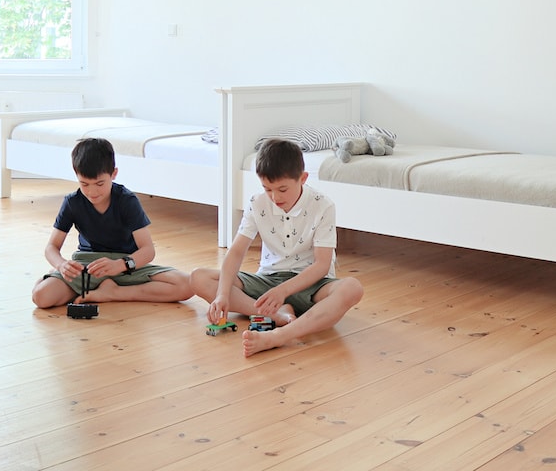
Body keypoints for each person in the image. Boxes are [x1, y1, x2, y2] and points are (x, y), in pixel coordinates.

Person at [191, 137, 364, 357]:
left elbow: (321, 265)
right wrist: (222, 295)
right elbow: (236, 252)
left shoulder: (323, 205)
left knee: (352, 288)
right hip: (269, 281)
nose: (274, 197)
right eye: (267, 188)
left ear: (302, 178)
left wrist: (284, 291)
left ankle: (279, 336)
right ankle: (277, 315)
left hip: (312, 284)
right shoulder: (257, 203)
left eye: (282, 189)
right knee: (199, 277)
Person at [32, 137, 193, 308]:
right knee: (40, 296)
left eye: (100, 183)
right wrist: (61, 265)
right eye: (84, 184)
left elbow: (147, 250)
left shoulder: (127, 200)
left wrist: (120, 265)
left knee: (186, 285)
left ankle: (113, 292)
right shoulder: (73, 202)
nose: (92, 192)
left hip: (127, 266)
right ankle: (82, 285)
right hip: (88, 267)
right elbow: (52, 247)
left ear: (114, 174)